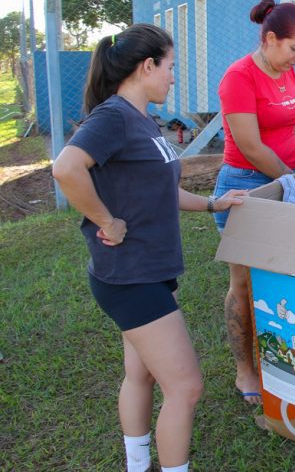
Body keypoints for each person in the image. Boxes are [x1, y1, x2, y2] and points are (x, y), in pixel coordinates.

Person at [51, 24, 246, 472]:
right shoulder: (114, 116)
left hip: (150, 270)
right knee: (187, 386)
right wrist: (106, 220)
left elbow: (165, 190)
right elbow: (66, 169)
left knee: (140, 373)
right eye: (171, 67)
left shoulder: (143, 120)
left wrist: (216, 202)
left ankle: (137, 465)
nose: (173, 78)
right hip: (130, 276)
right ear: (147, 66)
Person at [213, 0, 295, 405]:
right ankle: (244, 369)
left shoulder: (284, 72)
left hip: (285, 184)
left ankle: (280, 359)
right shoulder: (239, 78)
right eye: (294, 48)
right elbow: (250, 146)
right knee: (244, 282)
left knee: (287, 277)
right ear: (270, 39)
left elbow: (292, 125)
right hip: (248, 187)